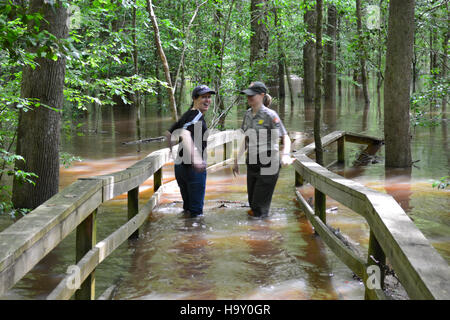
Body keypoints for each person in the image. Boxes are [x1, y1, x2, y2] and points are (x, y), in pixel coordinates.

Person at [232, 81, 293, 218]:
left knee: (259, 209)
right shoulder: (247, 114)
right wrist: (236, 160)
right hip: (252, 162)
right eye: (247, 95)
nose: (248, 98)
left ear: (262, 95)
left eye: (252, 95)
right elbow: (246, 139)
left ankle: (262, 236)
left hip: (269, 162)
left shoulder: (270, 115)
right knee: (253, 204)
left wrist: (285, 155)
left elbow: (285, 137)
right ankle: (261, 231)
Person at [165, 85, 215, 217]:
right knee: (197, 214)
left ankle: (185, 235)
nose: (207, 100)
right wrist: (197, 160)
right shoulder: (196, 115)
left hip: (181, 167)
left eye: (209, 97)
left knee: (187, 209)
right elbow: (184, 134)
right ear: (194, 98)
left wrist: (173, 154)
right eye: (203, 97)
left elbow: (169, 134)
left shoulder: (187, 115)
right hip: (192, 169)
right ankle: (194, 237)